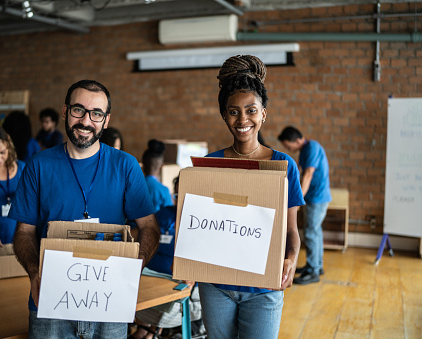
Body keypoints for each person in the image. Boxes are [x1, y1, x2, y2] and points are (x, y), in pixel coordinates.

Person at [8, 79, 160, 339]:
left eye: (96, 113)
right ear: (65, 112)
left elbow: (149, 228)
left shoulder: (126, 166)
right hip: (50, 302)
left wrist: (134, 270)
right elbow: (24, 232)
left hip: (108, 302)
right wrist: (34, 272)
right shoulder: (39, 165)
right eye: (78, 110)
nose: (86, 121)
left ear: (106, 120)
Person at [202, 55, 304, 338]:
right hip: (216, 285)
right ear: (224, 115)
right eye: (233, 111)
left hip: (263, 287)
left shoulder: (283, 166)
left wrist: (292, 259)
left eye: (251, 110)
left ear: (263, 114)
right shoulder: (210, 164)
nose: (243, 119)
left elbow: (291, 230)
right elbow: (201, 226)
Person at [131, 176, 204, 339]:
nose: (180, 201)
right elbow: (140, 232)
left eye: (185, 195)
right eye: (177, 196)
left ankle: (150, 332)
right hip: (148, 275)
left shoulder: (202, 223)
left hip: (175, 283)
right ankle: (145, 330)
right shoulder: (165, 213)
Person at [278, 126, 332, 285]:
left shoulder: (312, 148)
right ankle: (316, 265)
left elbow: (308, 174)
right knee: (315, 231)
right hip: (315, 197)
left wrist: (297, 199)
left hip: (317, 198)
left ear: (297, 140)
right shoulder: (305, 150)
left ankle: (313, 271)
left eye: (289, 146)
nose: (288, 149)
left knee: (310, 232)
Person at [142, 139, 173, 212]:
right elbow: (168, 217)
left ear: (143, 166)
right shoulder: (163, 190)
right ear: (162, 166)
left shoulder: (133, 186)